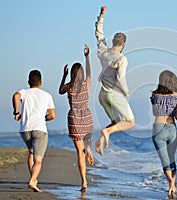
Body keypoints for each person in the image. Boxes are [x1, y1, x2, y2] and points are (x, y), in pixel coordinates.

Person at [95, 6, 135, 155]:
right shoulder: (122, 58)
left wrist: (101, 15)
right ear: (123, 44)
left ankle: (99, 141)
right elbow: (121, 78)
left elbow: (99, 34)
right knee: (130, 122)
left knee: (117, 123)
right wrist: (126, 92)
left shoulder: (103, 51)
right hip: (113, 94)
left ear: (113, 41)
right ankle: (106, 131)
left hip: (102, 95)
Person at [12, 70, 56, 192]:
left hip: (25, 129)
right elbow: (52, 115)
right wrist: (43, 118)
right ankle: (32, 180)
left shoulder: (24, 92)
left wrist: (16, 113)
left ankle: (34, 179)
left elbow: (16, 96)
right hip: (40, 129)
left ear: (29, 82)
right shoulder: (47, 95)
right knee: (39, 159)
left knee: (31, 153)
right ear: (41, 82)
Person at [59, 44, 94, 192]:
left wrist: (64, 75)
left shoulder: (69, 86)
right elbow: (89, 74)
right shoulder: (86, 85)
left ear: (73, 74)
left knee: (79, 153)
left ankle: (84, 182)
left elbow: (60, 91)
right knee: (85, 144)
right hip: (86, 117)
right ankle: (89, 148)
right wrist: (87, 57)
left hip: (74, 118)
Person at [150, 70, 177, 199]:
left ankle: (171, 184)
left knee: (164, 160)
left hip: (158, 127)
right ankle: (173, 184)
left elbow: (154, 113)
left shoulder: (154, 95)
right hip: (172, 127)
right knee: (171, 158)